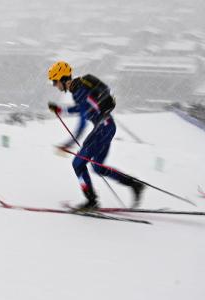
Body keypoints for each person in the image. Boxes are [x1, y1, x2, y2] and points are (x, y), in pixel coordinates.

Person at [47, 61, 143, 210]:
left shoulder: (79, 90)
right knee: (98, 168)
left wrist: (68, 144)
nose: (54, 85)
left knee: (77, 164)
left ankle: (91, 202)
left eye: (55, 81)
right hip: (108, 127)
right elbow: (83, 108)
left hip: (102, 129)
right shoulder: (79, 88)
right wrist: (61, 110)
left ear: (62, 78)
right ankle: (134, 185)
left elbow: (82, 122)